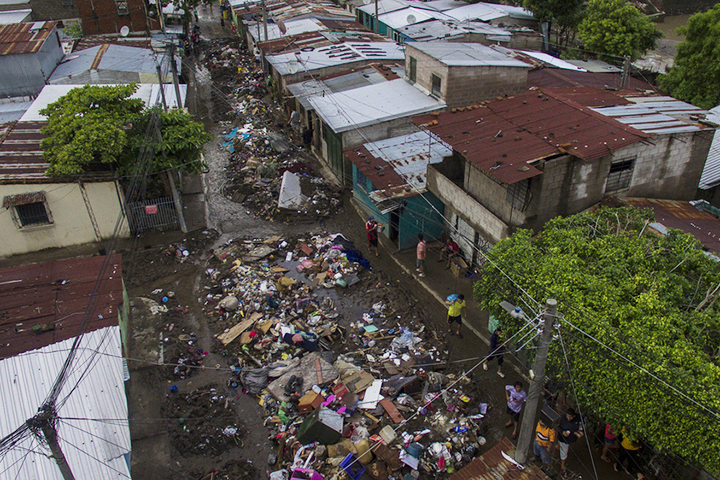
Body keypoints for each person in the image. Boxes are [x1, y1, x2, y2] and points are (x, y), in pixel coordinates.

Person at [557, 408, 584, 474]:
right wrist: (562, 432)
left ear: (574, 416)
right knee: (564, 453)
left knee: (563, 449)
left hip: (572, 437)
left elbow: (581, 426)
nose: (569, 418)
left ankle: (558, 446)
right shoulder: (562, 418)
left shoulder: (578, 418)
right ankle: (562, 467)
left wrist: (580, 431)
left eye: (571, 417)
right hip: (563, 439)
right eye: (568, 416)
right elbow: (557, 426)